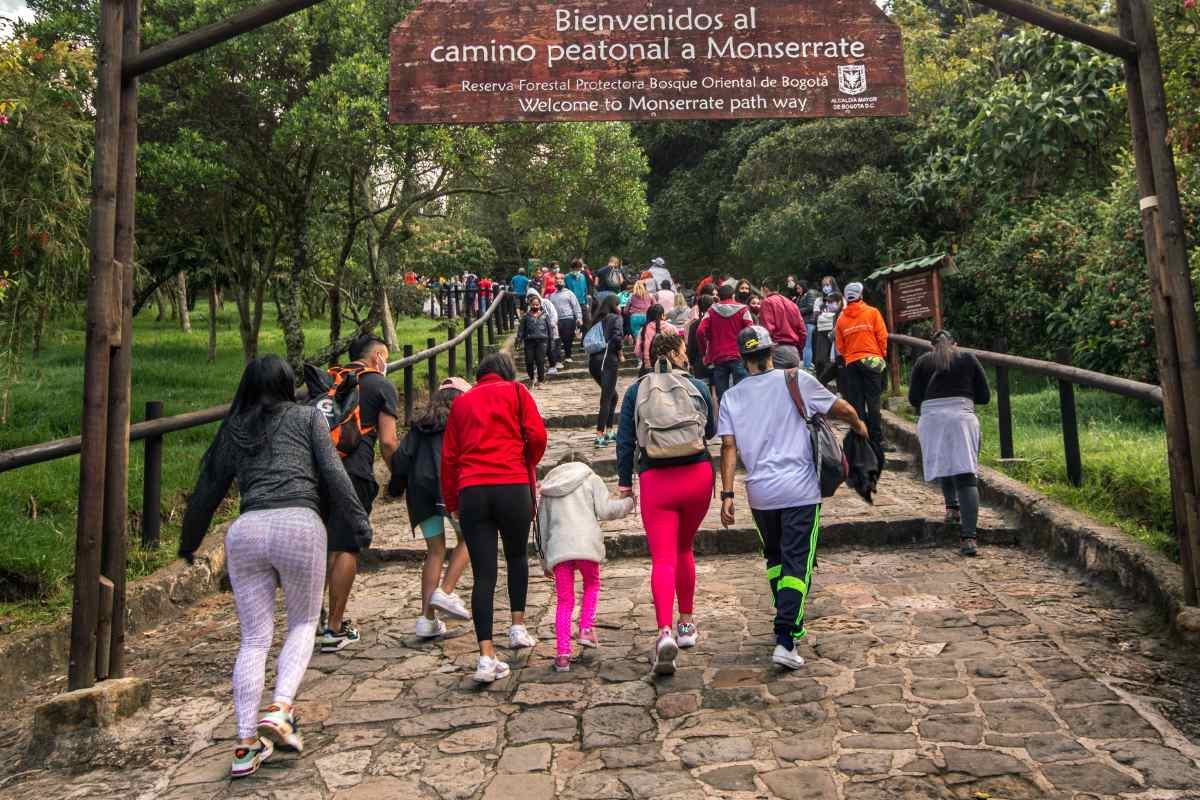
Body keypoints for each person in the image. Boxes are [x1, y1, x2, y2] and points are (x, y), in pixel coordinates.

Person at [180, 355, 372, 778]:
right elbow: (334, 475)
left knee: (253, 639)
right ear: (287, 384)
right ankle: (281, 707)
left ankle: (245, 744)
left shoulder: (235, 427)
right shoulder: (307, 418)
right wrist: (359, 523)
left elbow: (208, 488)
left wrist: (189, 543)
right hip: (299, 524)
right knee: (303, 623)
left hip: (247, 531)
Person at [717, 326, 868, 670]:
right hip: (800, 490)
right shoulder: (796, 379)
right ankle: (786, 636)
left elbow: (728, 447)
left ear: (742, 358)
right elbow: (841, 408)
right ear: (771, 352)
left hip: (760, 494)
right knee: (798, 561)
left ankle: (787, 616)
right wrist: (860, 426)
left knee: (775, 558)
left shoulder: (731, 397)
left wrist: (727, 494)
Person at [442, 352, 548, 682]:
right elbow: (538, 436)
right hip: (512, 485)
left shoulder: (461, 403)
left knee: (484, 574)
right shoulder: (517, 392)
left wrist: (451, 501)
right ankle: (517, 626)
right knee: (517, 557)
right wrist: (526, 460)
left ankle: (486, 656)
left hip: (473, 491)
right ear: (506, 372)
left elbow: (449, 457)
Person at [615, 331, 716, 675]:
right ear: (674, 353)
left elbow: (625, 441)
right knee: (684, 549)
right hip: (697, 475)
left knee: (662, 558)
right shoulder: (697, 386)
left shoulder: (635, 391)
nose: (687, 355)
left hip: (656, 480)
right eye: (684, 350)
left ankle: (664, 633)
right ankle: (686, 624)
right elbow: (711, 430)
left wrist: (625, 483)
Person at [321, 335, 398, 653]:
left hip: (317, 473)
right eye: (385, 357)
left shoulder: (328, 381)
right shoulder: (380, 385)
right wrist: (399, 478)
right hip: (353, 474)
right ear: (377, 356)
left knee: (325, 546)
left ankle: (313, 620)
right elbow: (389, 442)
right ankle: (334, 627)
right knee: (347, 547)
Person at [389, 378, 473, 637]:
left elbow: (401, 459)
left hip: (420, 494)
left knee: (435, 551)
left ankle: (426, 620)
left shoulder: (419, 426)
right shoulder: (462, 423)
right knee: (469, 538)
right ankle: (445, 592)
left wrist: (396, 487)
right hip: (451, 489)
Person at [538, 451, 636, 672]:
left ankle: (562, 655)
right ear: (584, 464)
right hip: (586, 546)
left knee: (565, 601)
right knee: (592, 584)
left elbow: (541, 528)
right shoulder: (591, 478)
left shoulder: (549, 488)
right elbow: (606, 511)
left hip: (559, 549)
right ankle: (585, 629)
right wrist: (629, 502)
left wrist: (544, 561)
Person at [908, 330, 991, 557]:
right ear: (956, 343)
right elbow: (984, 396)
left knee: (944, 463)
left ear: (931, 346)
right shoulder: (968, 358)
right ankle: (969, 538)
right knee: (966, 476)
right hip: (961, 416)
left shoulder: (923, 362)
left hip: (931, 419)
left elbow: (914, 398)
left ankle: (952, 508)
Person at [835, 282, 889, 451]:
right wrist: (881, 355)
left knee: (857, 403)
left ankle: (861, 440)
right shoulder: (872, 312)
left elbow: (840, 346)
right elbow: (882, 336)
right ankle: (877, 440)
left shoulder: (841, 319)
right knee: (873, 401)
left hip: (852, 362)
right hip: (872, 360)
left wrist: (850, 357)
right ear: (861, 295)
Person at [697, 283, 755, 403]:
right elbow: (751, 330)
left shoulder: (711, 311)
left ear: (719, 296)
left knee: (723, 398)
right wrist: (749, 350)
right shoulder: (743, 309)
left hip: (718, 357)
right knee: (744, 394)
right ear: (733, 295)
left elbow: (700, 331)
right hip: (739, 356)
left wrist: (704, 352)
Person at [588, 293, 625, 447]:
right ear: (614, 305)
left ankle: (609, 431)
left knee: (613, 396)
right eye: (618, 304)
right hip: (608, 360)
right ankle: (599, 435)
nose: (620, 307)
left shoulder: (597, 319)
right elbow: (617, 338)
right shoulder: (615, 318)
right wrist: (620, 353)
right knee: (607, 398)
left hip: (594, 362)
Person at [759, 278, 807, 369]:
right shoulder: (792, 304)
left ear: (765, 289)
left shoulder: (767, 302)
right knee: (792, 378)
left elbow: (767, 330)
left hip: (777, 350)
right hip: (794, 351)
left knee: (776, 378)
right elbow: (802, 332)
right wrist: (798, 349)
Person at [517, 293, 552, 387]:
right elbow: (521, 330)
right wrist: (518, 340)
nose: (535, 306)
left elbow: (549, 329)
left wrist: (551, 340)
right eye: (533, 305)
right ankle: (532, 378)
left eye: (537, 305)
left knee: (540, 361)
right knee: (529, 361)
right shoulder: (526, 316)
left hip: (542, 341)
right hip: (529, 342)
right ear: (530, 305)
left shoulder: (545, 315)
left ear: (540, 305)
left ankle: (540, 380)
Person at [526, 286, 561, 374]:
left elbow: (553, 313)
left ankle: (552, 366)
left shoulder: (546, 302)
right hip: (538, 333)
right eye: (529, 297)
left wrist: (552, 324)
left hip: (550, 329)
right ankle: (540, 366)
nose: (531, 298)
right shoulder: (530, 307)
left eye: (533, 295)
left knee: (550, 349)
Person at [548, 277, 583, 363]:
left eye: (561, 281)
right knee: (557, 340)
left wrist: (579, 317)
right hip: (556, 320)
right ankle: (558, 359)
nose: (559, 283)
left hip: (568, 318)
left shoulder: (569, 293)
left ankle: (568, 356)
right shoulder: (552, 296)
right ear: (555, 284)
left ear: (564, 283)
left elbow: (576, 306)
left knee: (568, 338)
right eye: (557, 282)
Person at [636, 304, 678, 376]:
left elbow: (637, 351)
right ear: (662, 315)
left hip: (649, 367)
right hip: (671, 367)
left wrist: (646, 361)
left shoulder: (644, 330)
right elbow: (678, 347)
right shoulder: (672, 328)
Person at [813, 291, 843, 380]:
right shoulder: (836, 315)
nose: (828, 304)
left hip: (841, 350)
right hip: (831, 341)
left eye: (831, 302)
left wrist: (832, 333)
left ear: (839, 302)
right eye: (827, 302)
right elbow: (816, 318)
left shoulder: (842, 314)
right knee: (821, 361)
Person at [798, 281, 818, 370]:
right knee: (806, 345)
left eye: (799, 288)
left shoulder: (810, 293)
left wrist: (797, 310)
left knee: (807, 345)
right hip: (805, 322)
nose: (797, 290)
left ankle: (807, 365)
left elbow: (810, 307)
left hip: (809, 322)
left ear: (803, 287)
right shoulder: (801, 296)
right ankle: (807, 364)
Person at [565, 259, 590, 324]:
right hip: (571, 304)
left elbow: (585, 289)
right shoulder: (567, 277)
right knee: (574, 322)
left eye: (579, 269)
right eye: (576, 269)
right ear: (572, 269)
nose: (578, 271)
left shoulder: (582, 276)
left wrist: (587, 302)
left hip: (582, 302)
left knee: (586, 321)